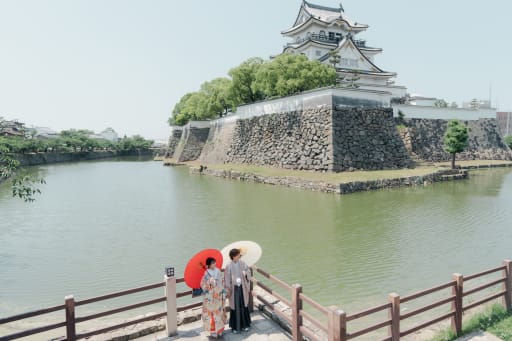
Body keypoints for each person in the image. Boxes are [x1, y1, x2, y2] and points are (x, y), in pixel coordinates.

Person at [224, 248, 251, 334]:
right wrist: (228, 288)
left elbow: (248, 270)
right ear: (233, 256)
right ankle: (235, 327)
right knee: (235, 307)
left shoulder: (242, 263)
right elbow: (227, 278)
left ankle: (245, 325)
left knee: (243, 305)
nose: (239, 256)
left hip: (242, 287)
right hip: (234, 289)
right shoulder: (228, 266)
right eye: (238, 255)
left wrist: (246, 273)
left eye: (239, 255)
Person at [200, 257, 226, 338]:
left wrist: (217, 282)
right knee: (210, 314)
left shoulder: (218, 271)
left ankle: (220, 330)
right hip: (209, 297)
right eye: (213, 263)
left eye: (215, 262)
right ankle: (212, 331)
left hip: (218, 295)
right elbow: (202, 284)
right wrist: (209, 282)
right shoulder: (206, 273)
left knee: (218, 312)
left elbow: (222, 281)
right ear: (209, 265)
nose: (215, 264)